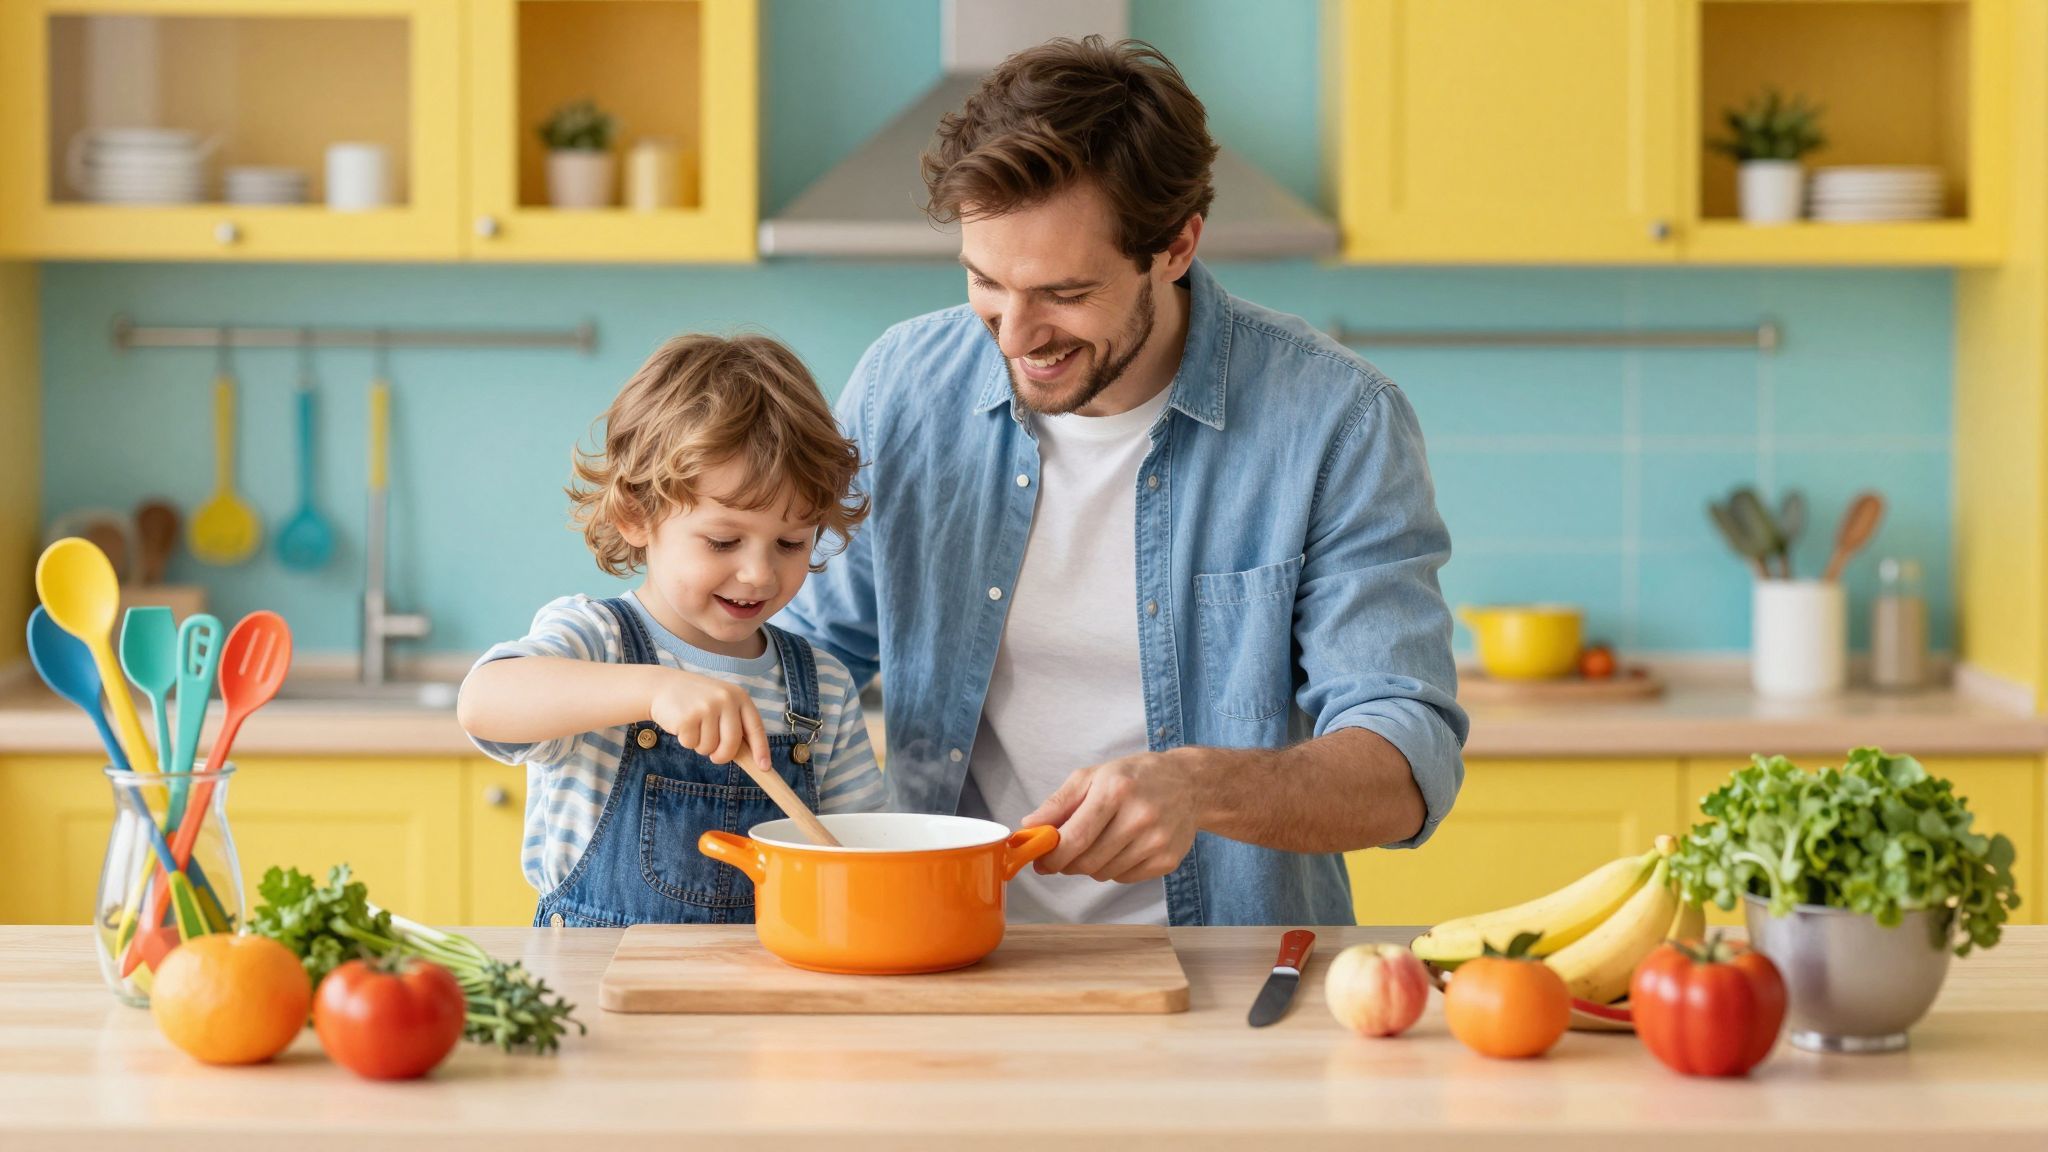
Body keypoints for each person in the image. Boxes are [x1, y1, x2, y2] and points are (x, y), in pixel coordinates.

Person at [779, 37, 1468, 926]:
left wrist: (1199, 786)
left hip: (1226, 971)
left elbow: (1407, 765)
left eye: (1063, 292)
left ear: (1176, 246)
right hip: (956, 953)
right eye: (984, 282)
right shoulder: (905, 386)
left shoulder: (1336, 420)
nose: (1016, 335)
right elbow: (801, 662)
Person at [459, 333, 885, 927]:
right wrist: (655, 690)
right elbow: (484, 703)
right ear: (636, 515)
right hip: (598, 989)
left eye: (791, 542)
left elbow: (861, 852)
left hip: (762, 995)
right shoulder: (596, 641)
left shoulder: (824, 687)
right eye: (723, 540)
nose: (759, 572)